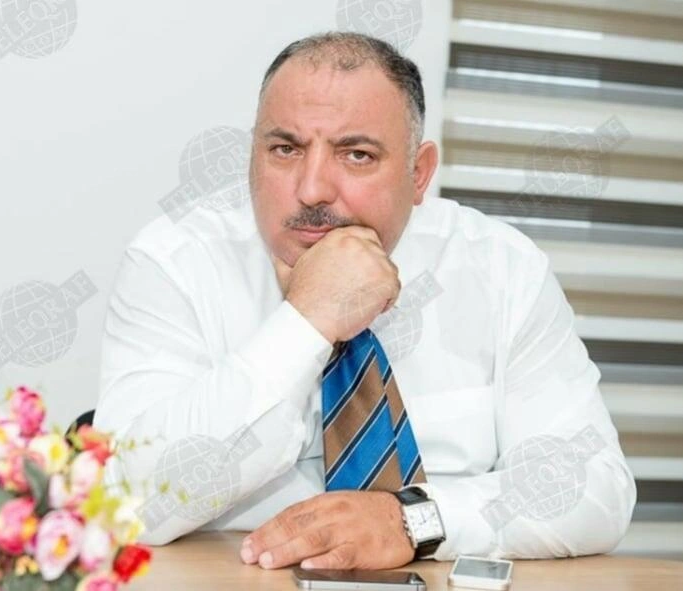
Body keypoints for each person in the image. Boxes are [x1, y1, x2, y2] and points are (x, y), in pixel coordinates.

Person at [94, 31, 635, 571]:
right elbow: (128, 501)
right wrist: (307, 320)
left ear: (418, 174)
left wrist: (413, 520)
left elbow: (594, 487)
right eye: (285, 149)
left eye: (357, 155)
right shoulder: (175, 262)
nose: (312, 189)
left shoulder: (502, 268)